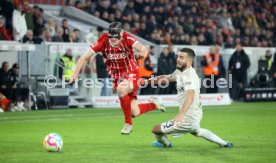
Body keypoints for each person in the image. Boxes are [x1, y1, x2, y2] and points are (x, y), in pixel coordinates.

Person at [70, 21, 165, 135]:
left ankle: (128, 124)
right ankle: (154, 105)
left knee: (121, 89)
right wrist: (75, 73)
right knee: (135, 112)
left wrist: (141, 55)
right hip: (117, 77)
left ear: (121, 34)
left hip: (132, 73)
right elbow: (84, 57)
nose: (113, 40)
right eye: (111, 37)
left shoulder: (128, 38)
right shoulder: (103, 40)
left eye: (116, 37)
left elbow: (144, 49)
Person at [144, 48, 233, 148]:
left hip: (187, 118)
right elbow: (167, 78)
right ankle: (224, 144)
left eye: (181, 57)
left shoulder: (189, 76)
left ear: (189, 61)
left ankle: (166, 144)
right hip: (195, 113)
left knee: (156, 130)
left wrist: (181, 115)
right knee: (196, 131)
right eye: (178, 56)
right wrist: (146, 81)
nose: (178, 59)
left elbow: (190, 96)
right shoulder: (180, 71)